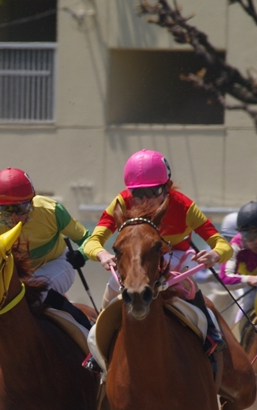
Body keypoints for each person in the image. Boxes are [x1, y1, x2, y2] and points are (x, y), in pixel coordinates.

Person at [81, 149, 232, 357]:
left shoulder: (185, 207)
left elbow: (223, 245)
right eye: (137, 194)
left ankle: (211, 333)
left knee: (186, 277)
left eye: (152, 192)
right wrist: (101, 254)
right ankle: (99, 340)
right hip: (139, 257)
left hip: (175, 255)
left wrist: (215, 254)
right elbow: (92, 242)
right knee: (115, 284)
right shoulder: (121, 202)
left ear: (167, 187)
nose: (144, 200)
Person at [0, 167, 92, 327]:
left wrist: (81, 255)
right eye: (5, 210)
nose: (14, 217)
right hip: (19, 276)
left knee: (33, 293)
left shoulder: (52, 211)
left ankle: (85, 325)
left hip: (57, 263)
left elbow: (87, 239)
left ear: (32, 200)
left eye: (20, 209)